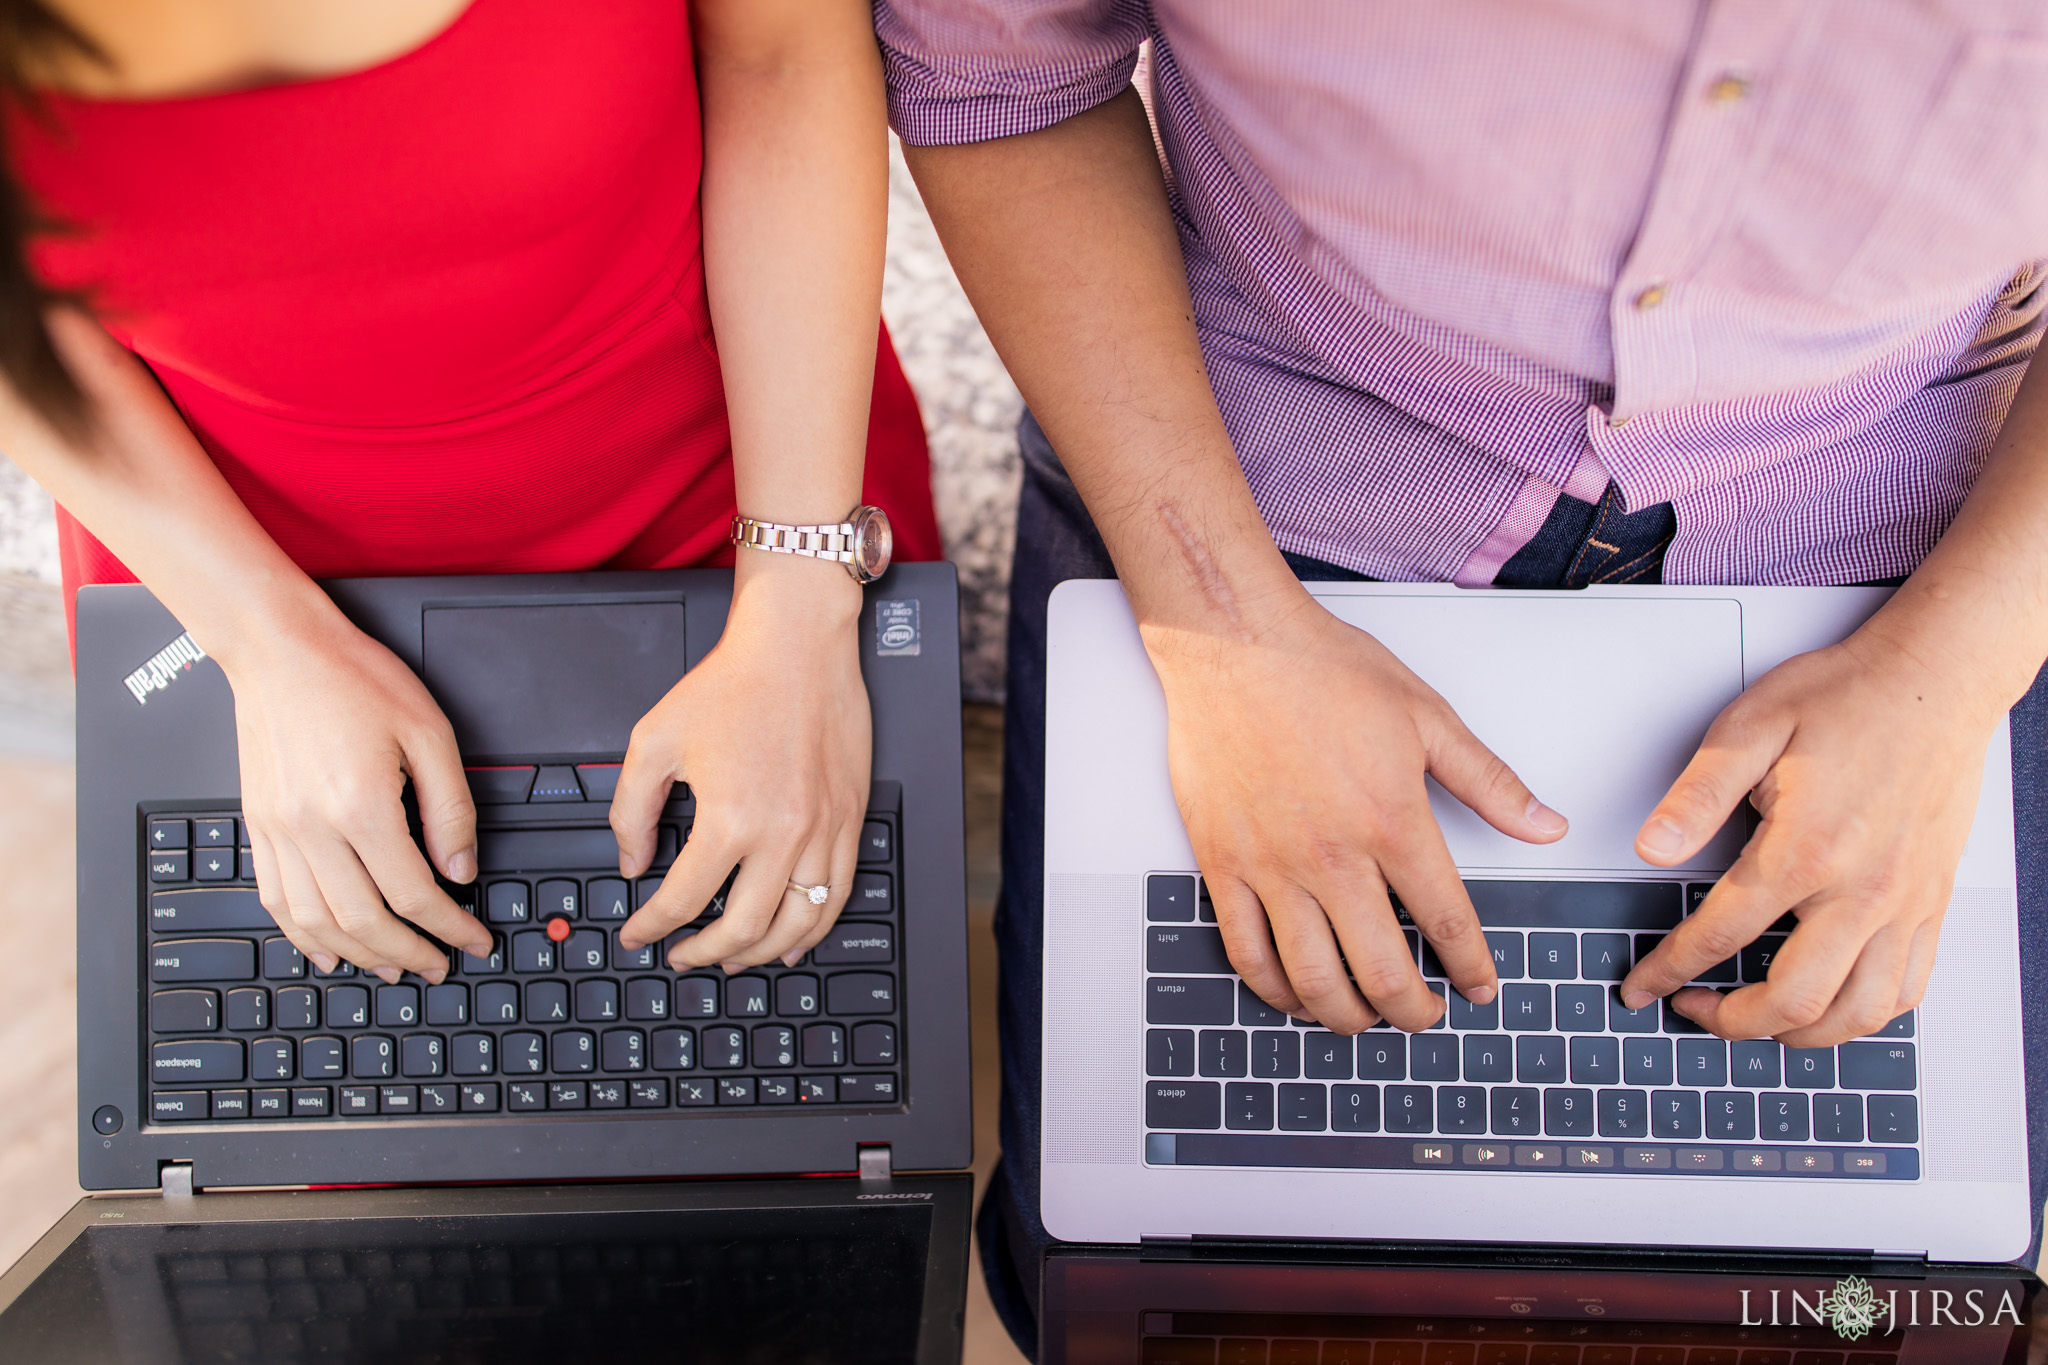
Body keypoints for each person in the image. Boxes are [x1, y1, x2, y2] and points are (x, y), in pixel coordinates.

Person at [873, 2, 2048, 1352]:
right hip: (1246, 458)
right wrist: (1223, 631)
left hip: (1913, 522)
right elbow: (999, 75)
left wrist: (1956, 668)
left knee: (1889, 1294)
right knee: (1147, 1280)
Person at [1, 0, 939, 986]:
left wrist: (796, 603)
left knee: (795, 1076)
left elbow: (782, 60)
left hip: (749, 484)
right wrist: (265, 643)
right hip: (212, 548)